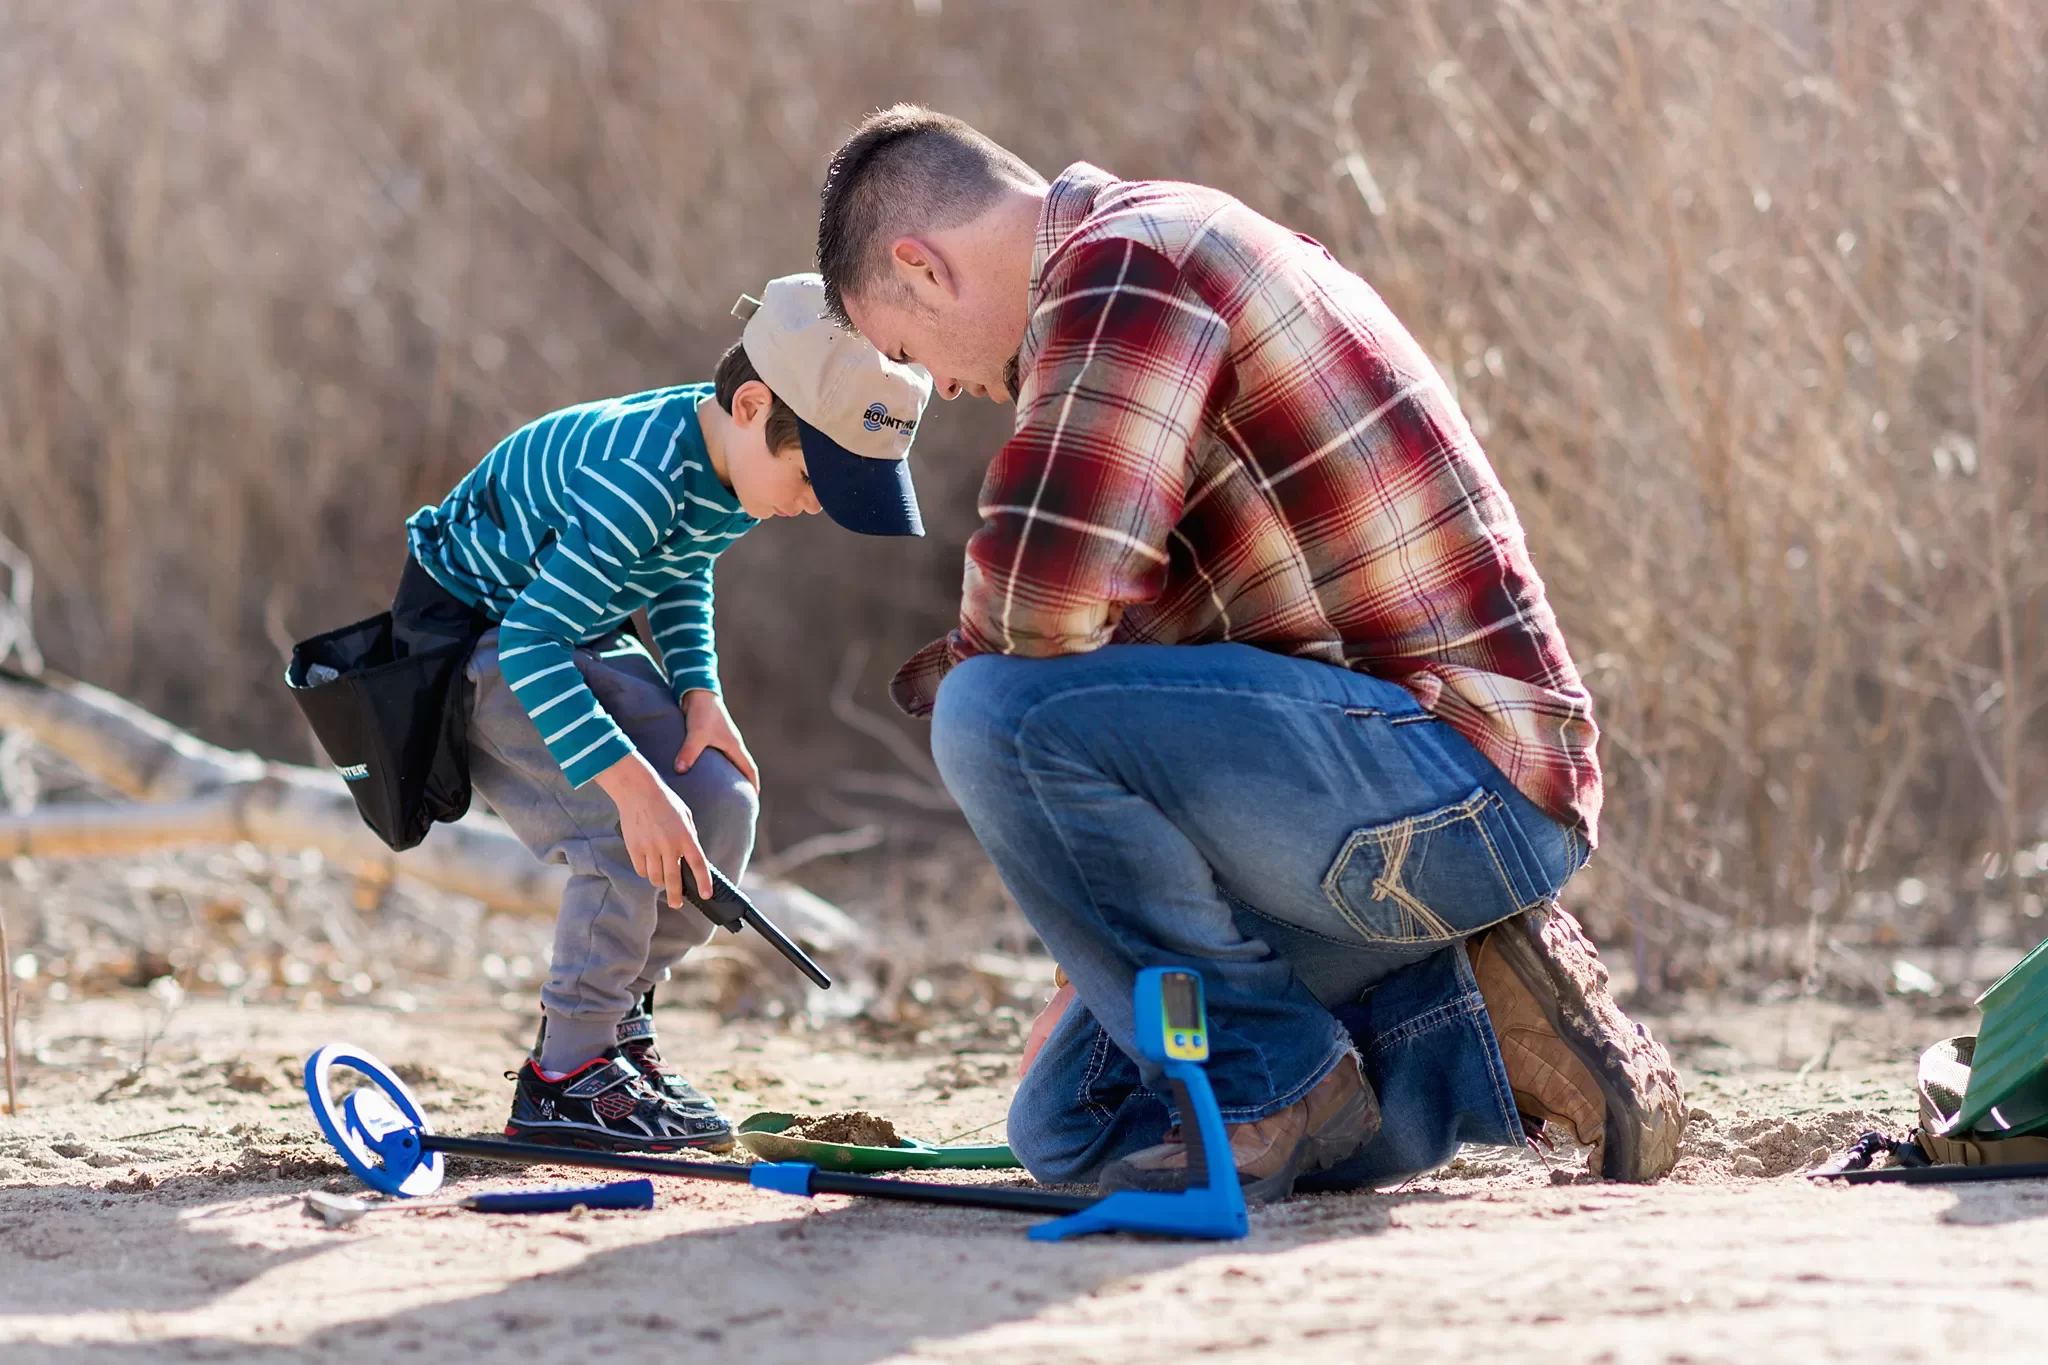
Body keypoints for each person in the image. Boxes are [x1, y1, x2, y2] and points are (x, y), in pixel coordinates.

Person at [814, 107, 1684, 1199]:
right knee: (1078, 1126)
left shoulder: (1125, 263)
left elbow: (1042, 603)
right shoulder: (1150, 257)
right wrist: (1091, 946)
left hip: (1457, 784)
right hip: (1378, 811)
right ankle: (1475, 1017)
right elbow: (1138, 702)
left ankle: (1276, 1081)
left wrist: (975, 696)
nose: (937, 389)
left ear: (920, 267)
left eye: (903, 353)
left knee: (989, 709)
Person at [398, 273, 931, 1151]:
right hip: (479, 644)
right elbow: (531, 642)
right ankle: (563, 1078)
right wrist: (633, 785)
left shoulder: (733, 459)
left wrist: (699, 693)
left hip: (575, 632)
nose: (813, 505)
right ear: (755, 404)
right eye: (813, 477)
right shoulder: (637, 476)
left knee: (720, 802)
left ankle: (609, 1028)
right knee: (626, 830)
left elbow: (683, 562)